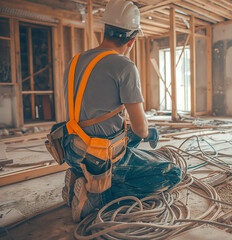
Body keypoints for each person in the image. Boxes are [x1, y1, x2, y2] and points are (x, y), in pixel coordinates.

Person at [61, 0, 182, 222]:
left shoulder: (75, 60)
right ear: (132, 40)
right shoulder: (124, 66)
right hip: (100, 158)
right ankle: (97, 193)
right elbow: (141, 129)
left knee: (129, 135)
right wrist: (148, 132)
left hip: (71, 148)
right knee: (172, 173)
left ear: (104, 30)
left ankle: (80, 175)